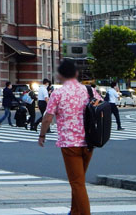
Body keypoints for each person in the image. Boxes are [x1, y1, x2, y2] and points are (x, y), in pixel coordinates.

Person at [38, 58, 99, 215]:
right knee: (78, 181)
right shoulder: (89, 91)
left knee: (77, 183)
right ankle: (74, 212)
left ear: (59, 75)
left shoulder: (58, 93)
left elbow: (47, 118)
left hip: (70, 144)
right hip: (89, 142)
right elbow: (101, 107)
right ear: (76, 73)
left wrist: (42, 135)